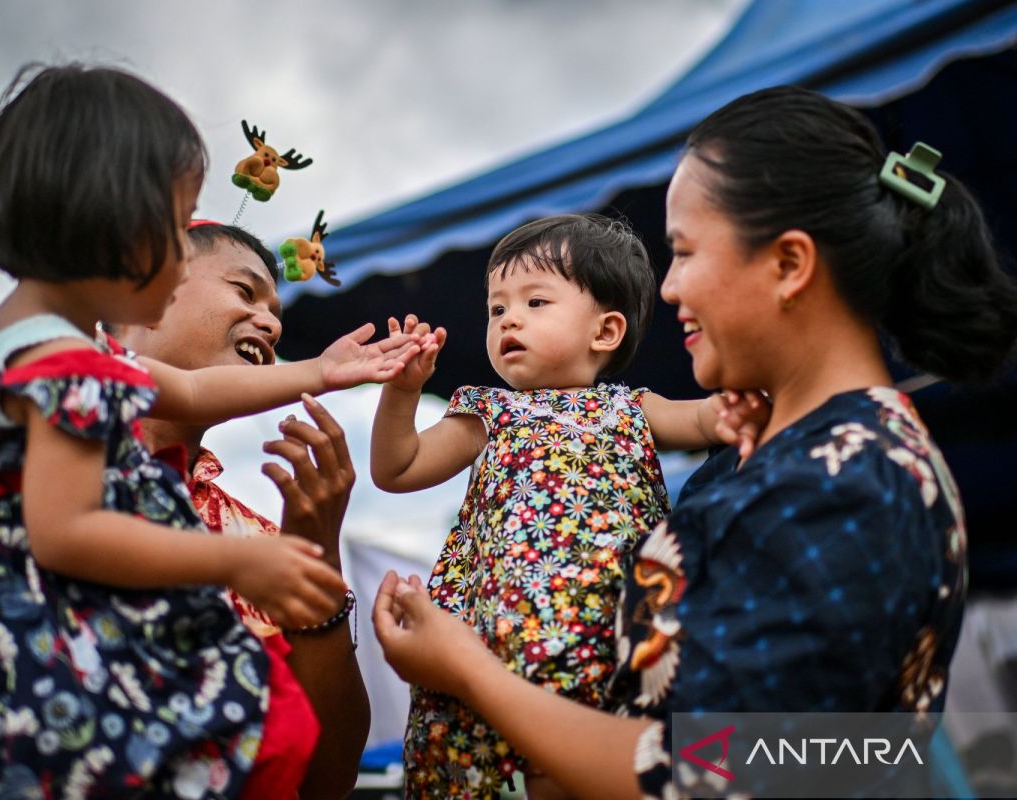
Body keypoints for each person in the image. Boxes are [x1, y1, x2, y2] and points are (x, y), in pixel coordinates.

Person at [372, 85, 1017, 800]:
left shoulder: (850, 479)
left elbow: (746, 769)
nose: (670, 288)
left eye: (683, 253)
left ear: (789, 264)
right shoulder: (798, 458)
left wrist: (470, 674)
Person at [0, 63, 423, 799]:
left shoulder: (32, 355)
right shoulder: (71, 374)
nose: (272, 321)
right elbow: (68, 532)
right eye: (180, 229)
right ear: (116, 224)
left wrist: (319, 372)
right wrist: (233, 567)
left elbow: (201, 387)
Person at [370, 214, 767, 797]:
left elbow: (708, 417)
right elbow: (397, 468)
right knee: (542, 764)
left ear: (604, 332)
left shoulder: (633, 408)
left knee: (612, 753)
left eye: (535, 301)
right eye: (496, 308)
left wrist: (746, 402)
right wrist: (401, 394)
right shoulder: (486, 413)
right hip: (509, 636)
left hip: (617, 628)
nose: (509, 319)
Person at [119, 219, 371, 798]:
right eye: (244, 291)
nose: (273, 323)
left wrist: (316, 557)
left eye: (275, 310)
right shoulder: (18, 464)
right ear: (145, 292)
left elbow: (328, 778)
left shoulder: (255, 545)